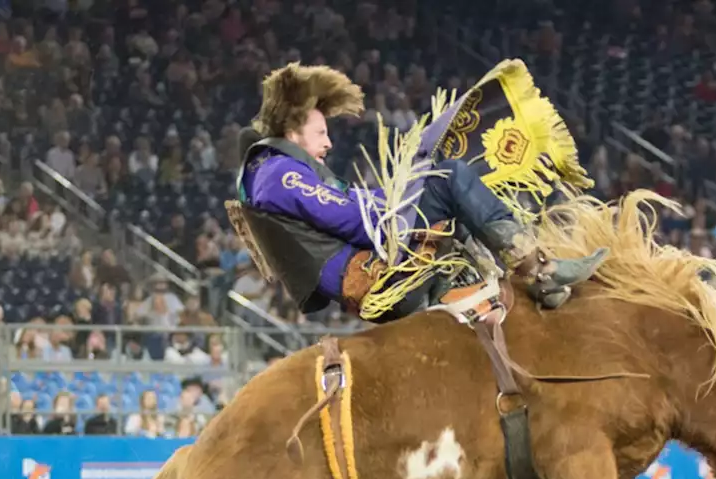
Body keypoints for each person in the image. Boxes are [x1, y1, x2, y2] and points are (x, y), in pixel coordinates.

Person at [235, 63, 605, 320]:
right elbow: (350, 218)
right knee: (450, 177)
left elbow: (355, 207)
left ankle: (517, 288)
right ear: (290, 132)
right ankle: (541, 272)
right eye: (321, 133)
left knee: (450, 185)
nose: (329, 143)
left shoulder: (272, 171)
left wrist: (408, 189)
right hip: (378, 278)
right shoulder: (281, 175)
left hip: (370, 269)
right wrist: (410, 197)